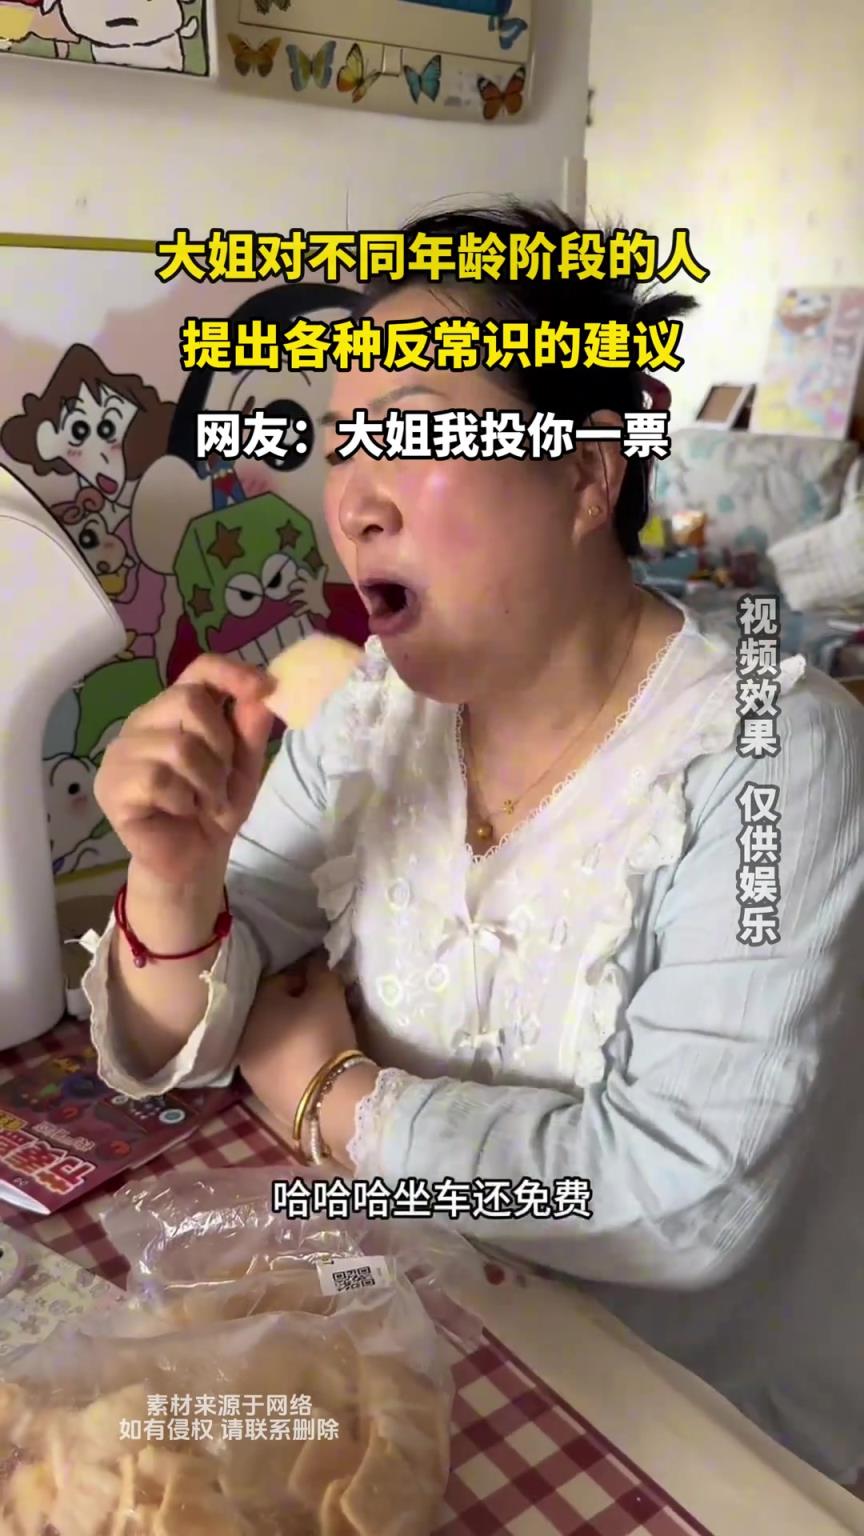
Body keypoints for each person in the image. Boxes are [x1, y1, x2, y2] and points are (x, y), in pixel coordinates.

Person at [86, 200, 864, 1486]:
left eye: (417, 430)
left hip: (693, 1439)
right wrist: (175, 878)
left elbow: (679, 1203)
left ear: (588, 473)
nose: (353, 499)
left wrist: (334, 1099)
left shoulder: (779, 750)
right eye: (345, 443)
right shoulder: (363, 722)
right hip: (424, 1350)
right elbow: (186, 1041)